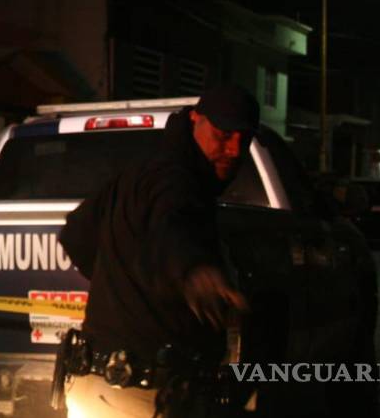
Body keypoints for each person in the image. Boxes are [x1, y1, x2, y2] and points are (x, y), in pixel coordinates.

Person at [57, 85, 257, 417]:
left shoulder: (141, 171)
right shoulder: (175, 179)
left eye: (244, 139)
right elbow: (172, 227)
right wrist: (192, 271)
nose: (235, 150)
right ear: (195, 120)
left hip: (100, 388)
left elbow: (77, 234)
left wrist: (126, 283)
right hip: (141, 397)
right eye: (223, 135)